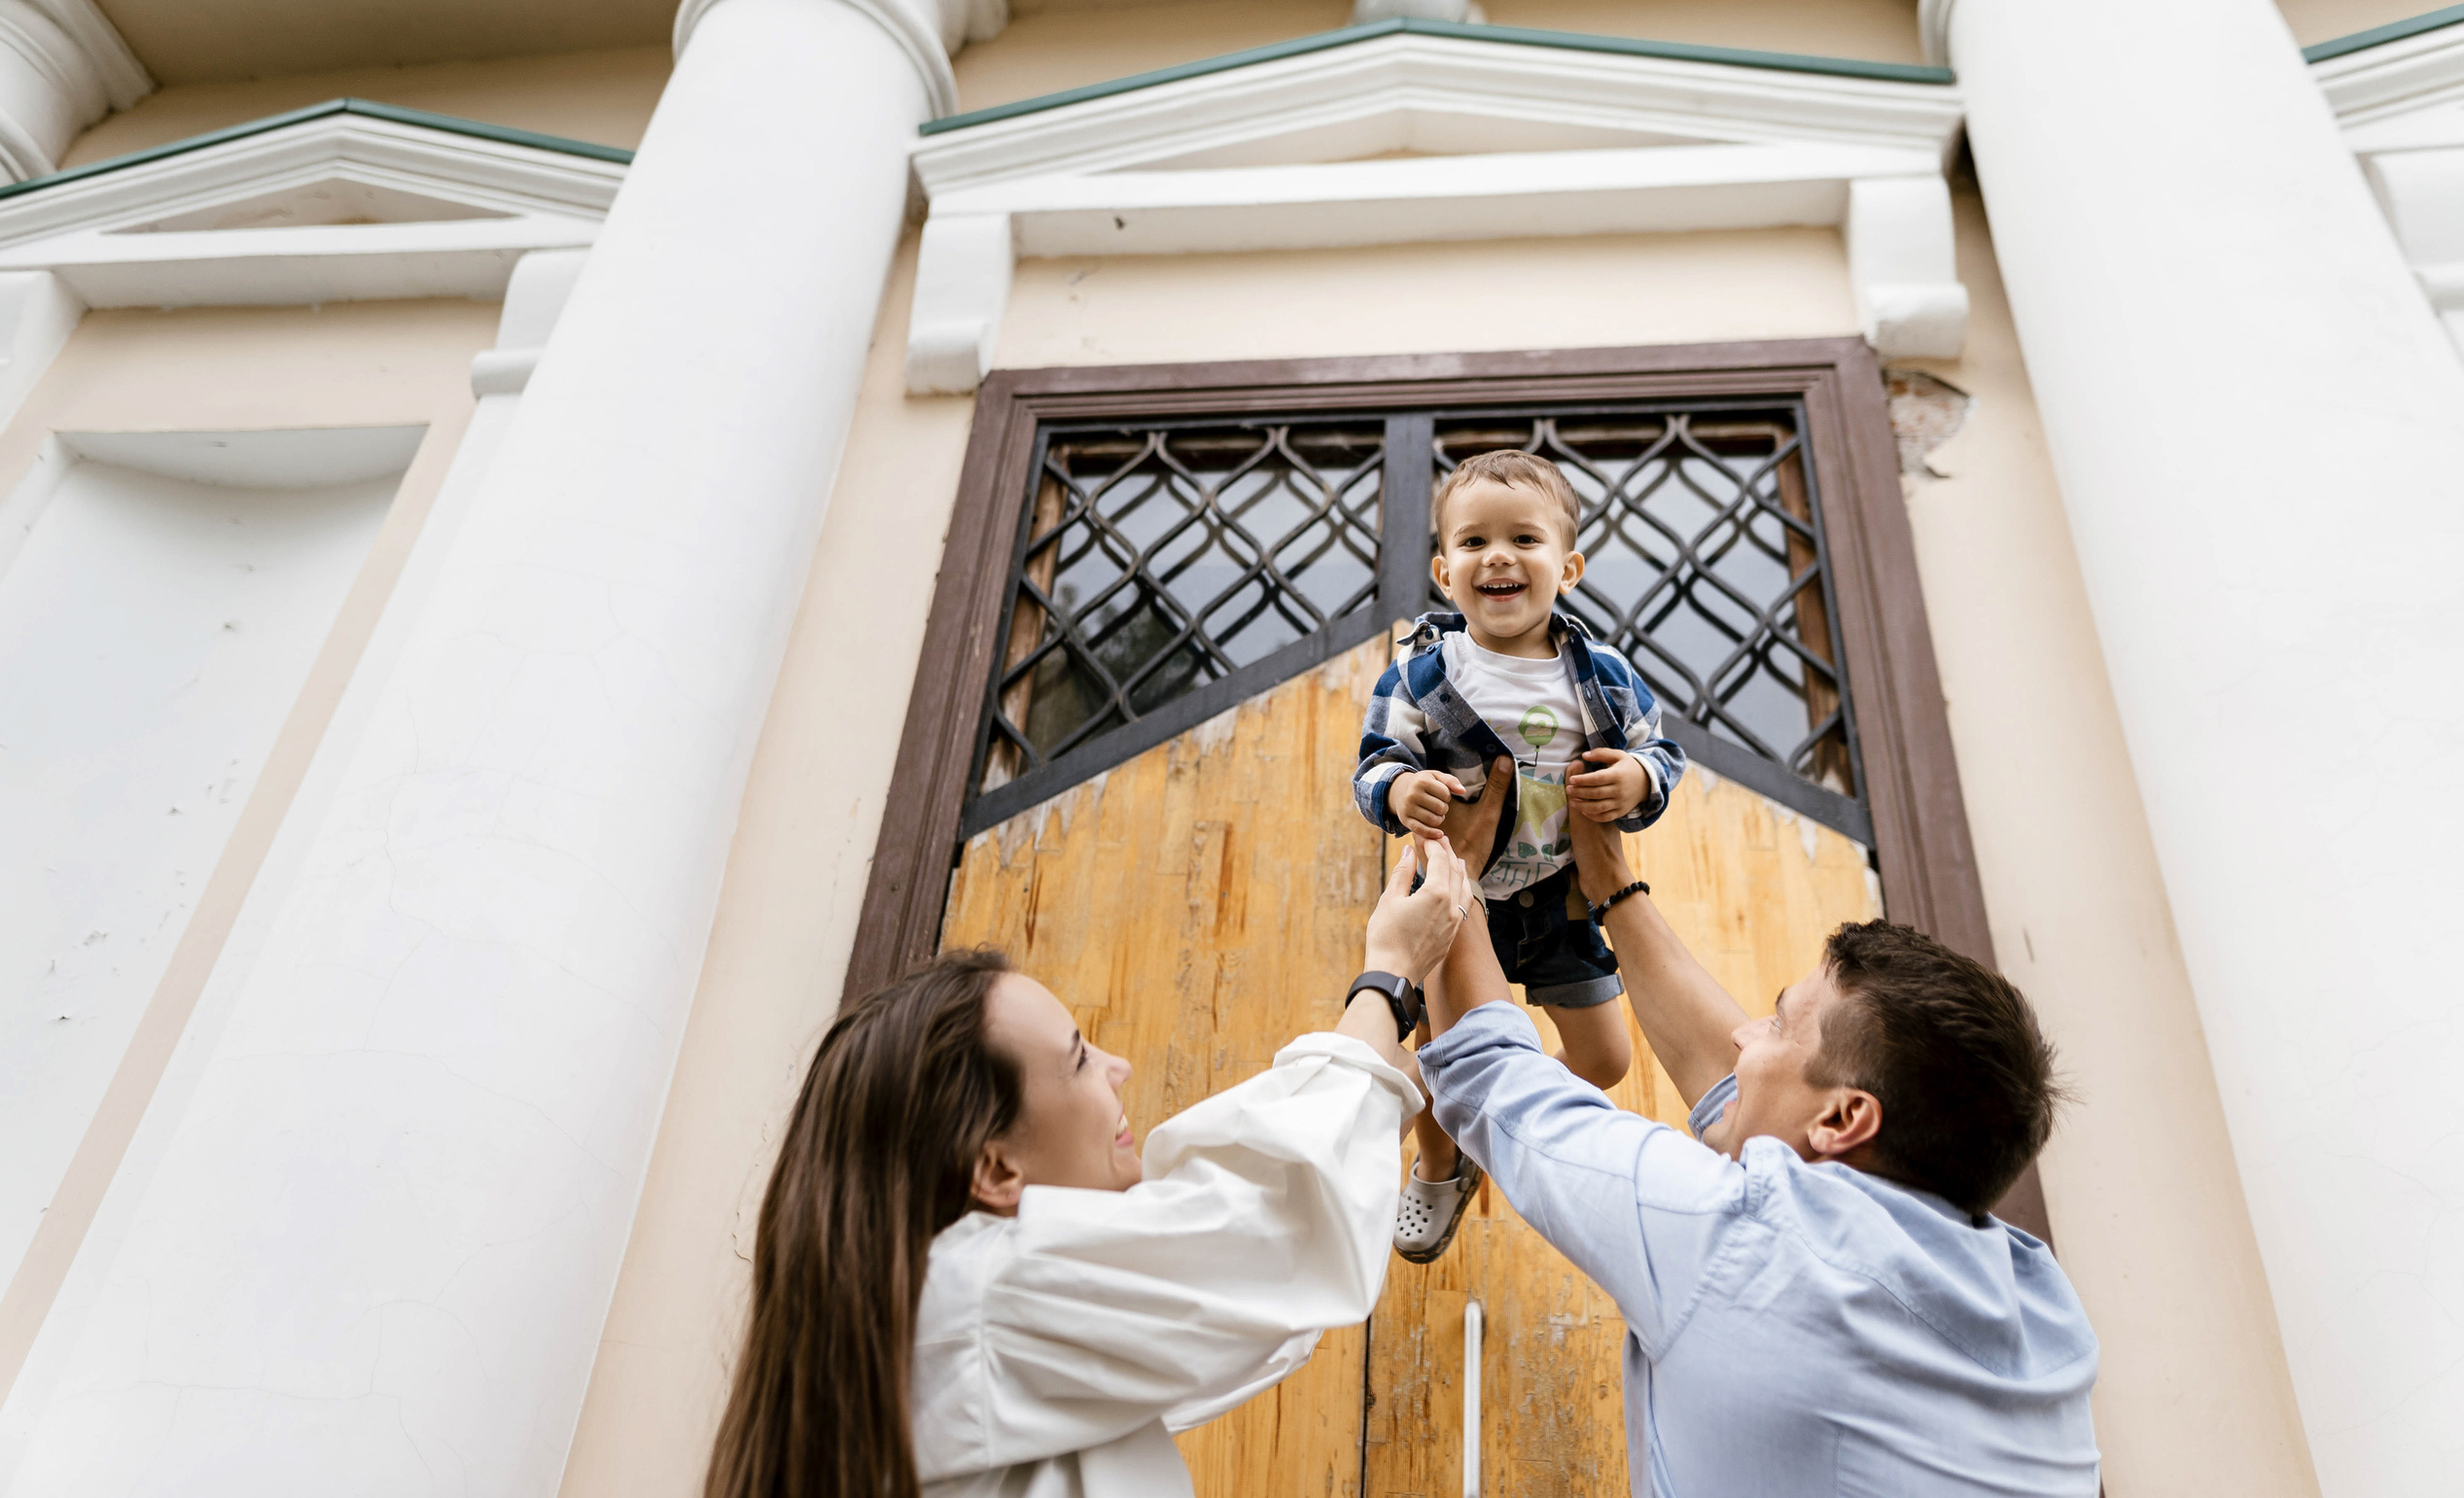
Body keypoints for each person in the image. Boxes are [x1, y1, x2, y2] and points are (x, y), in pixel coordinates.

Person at [703, 836, 1473, 1498]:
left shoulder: (933, 1321)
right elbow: (1267, 1229)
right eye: (1076, 1059)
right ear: (994, 1167)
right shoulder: (978, 1300)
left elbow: (1246, 1315)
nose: (1118, 1066)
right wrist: (1390, 974)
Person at [1419, 757, 2100, 1495]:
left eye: (1777, 1022)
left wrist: (1445, 869)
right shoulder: (2044, 1315)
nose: (1746, 1035)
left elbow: (1491, 1074)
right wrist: (1609, 878)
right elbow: (1751, 1110)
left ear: (1847, 1117)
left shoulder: (1738, 1245)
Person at [1351, 448, 1686, 1262]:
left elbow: (1663, 753)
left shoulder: (1602, 675)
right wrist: (1400, 792)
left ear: (1567, 567)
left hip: (1561, 898)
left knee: (1606, 1055)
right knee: (1445, 1055)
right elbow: (1373, 765)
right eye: (1472, 543)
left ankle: (1498, 1125)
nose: (1497, 556)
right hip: (1462, 904)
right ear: (1443, 569)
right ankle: (1439, 1165)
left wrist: (1636, 779)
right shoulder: (1424, 672)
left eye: (1523, 540)